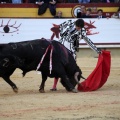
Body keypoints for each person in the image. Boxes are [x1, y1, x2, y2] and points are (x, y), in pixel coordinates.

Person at [50, 19, 101, 91]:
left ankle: (71, 84)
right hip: (61, 48)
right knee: (58, 66)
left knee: (71, 69)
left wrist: (96, 50)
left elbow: (88, 41)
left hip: (71, 51)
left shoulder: (82, 31)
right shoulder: (69, 22)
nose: (78, 29)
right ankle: (54, 86)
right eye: (77, 27)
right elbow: (60, 27)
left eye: (79, 28)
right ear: (75, 24)